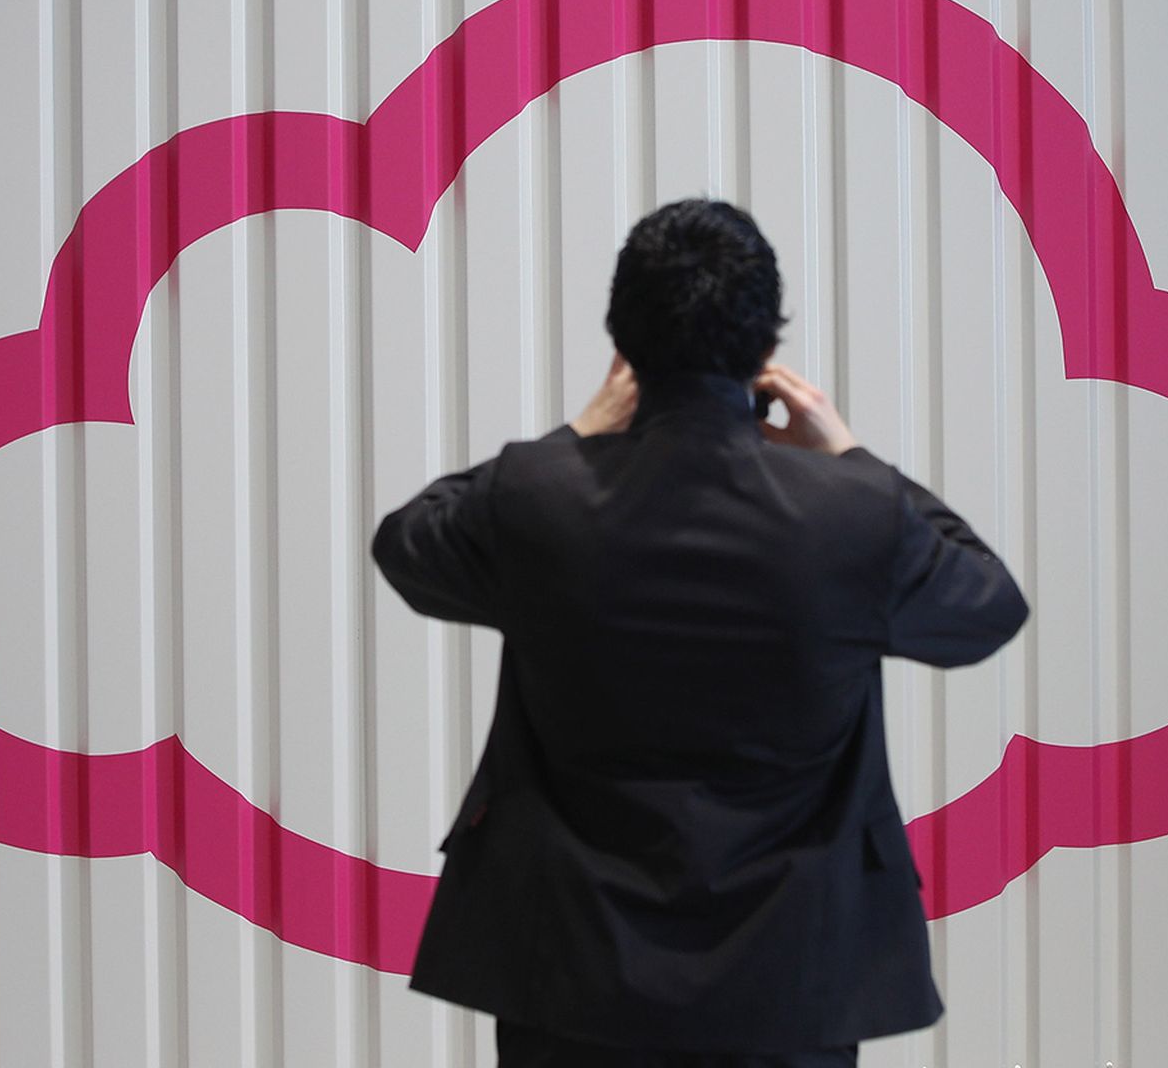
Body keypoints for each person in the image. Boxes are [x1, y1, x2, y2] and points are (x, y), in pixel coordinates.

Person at [371, 198, 1029, 1067]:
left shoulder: (538, 497)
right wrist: (852, 459)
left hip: (572, 972)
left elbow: (409, 544)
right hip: (794, 978)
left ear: (622, 341)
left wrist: (578, 433)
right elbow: (988, 605)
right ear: (765, 352)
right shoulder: (854, 516)